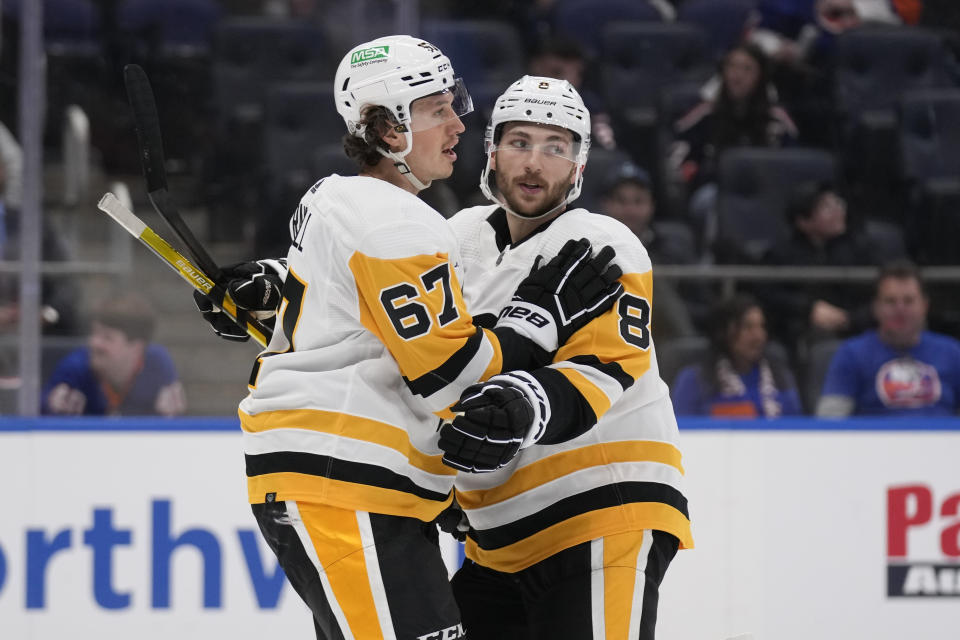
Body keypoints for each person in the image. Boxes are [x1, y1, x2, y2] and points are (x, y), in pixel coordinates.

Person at [199, 74, 692, 639]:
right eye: (519, 142)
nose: (534, 163)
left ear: (579, 165)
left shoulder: (603, 243)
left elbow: (607, 367)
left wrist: (525, 406)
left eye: (556, 148)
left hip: (602, 510)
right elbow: (388, 305)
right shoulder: (456, 234)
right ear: (491, 152)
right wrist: (278, 290)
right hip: (495, 537)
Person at [817, 261, 960, 416]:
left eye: (908, 301)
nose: (900, 310)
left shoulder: (951, 352)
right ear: (876, 307)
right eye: (890, 301)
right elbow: (829, 420)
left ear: (925, 306)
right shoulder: (852, 354)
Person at [758, 180, 884, 345]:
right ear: (803, 221)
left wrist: (851, 318)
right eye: (826, 208)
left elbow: (881, 291)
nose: (838, 211)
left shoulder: (861, 248)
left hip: (858, 329)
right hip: (801, 333)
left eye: (838, 203)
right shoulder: (781, 253)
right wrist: (808, 309)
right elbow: (769, 294)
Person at [598, 160, 700, 340]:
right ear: (606, 204)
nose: (630, 210)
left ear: (651, 205)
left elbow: (699, 302)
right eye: (621, 201)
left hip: (665, 338)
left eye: (638, 201)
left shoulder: (672, 250)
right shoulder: (592, 246)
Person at [41, 292, 185, 416]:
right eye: (94, 334)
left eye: (107, 338)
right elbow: (41, 413)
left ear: (136, 347)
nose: (94, 343)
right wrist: (50, 407)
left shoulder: (157, 365)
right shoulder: (75, 368)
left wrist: (170, 415)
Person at [672, 293, 803, 417]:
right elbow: (682, 429)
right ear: (723, 332)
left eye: (761, 326)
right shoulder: (694, 380)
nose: (759, 336)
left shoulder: (780, 377)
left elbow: (798, 428)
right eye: (748, 327)